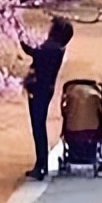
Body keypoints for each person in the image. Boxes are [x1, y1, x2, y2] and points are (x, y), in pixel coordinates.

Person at [20, 17, 74, 181]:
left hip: (39, 90)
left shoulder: (51, 47)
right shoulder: (57, 48)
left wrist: (20, 36)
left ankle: (41, 165)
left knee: (38, 127)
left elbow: (32, 52)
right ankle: (41, 163)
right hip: (43, 90)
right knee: (38, 126)